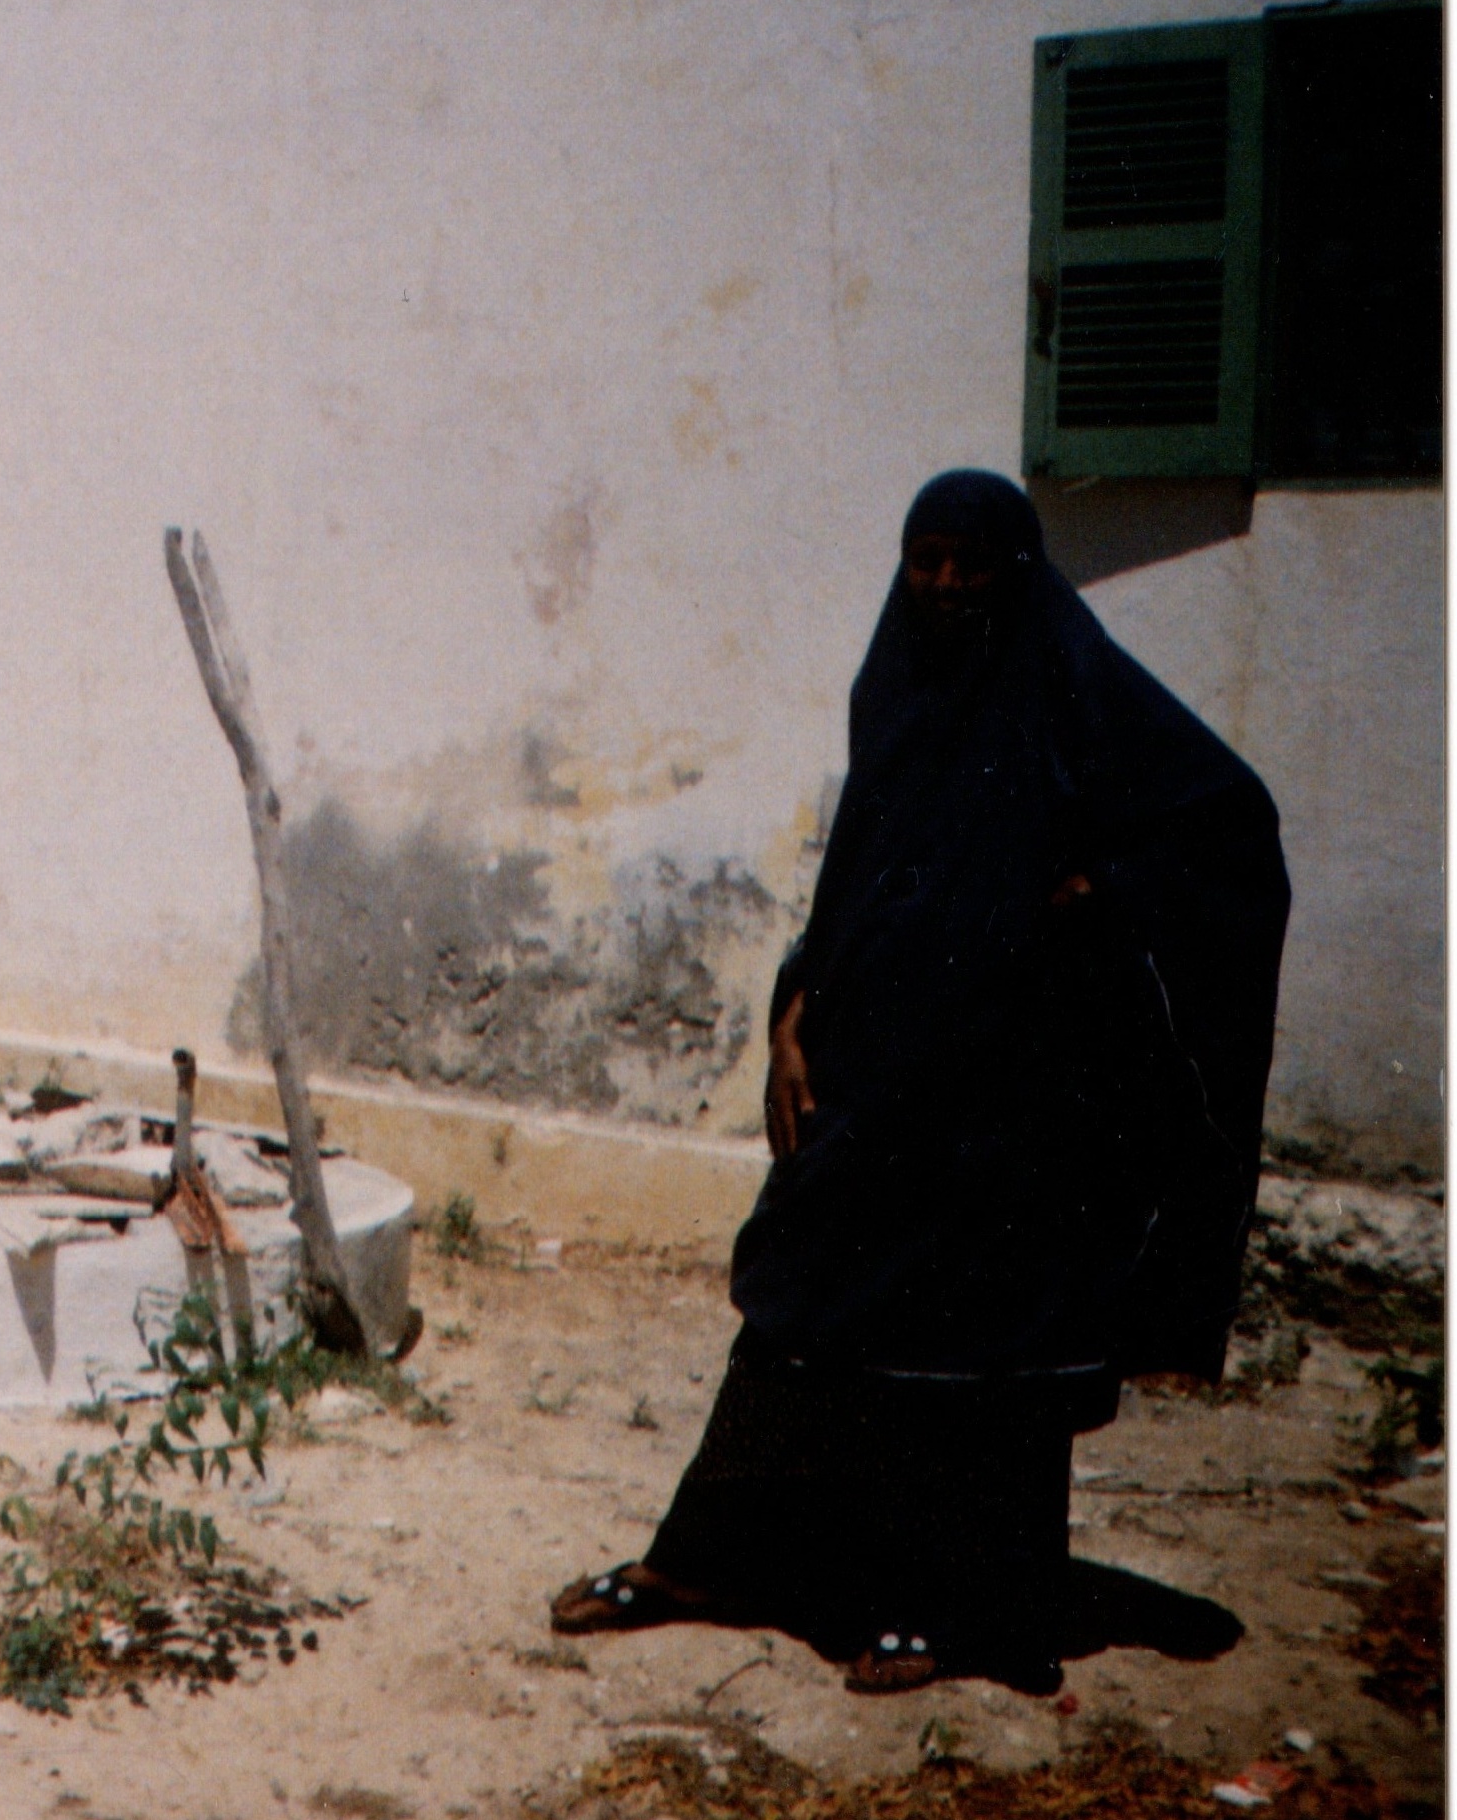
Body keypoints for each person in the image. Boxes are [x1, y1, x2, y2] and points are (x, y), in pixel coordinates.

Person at [551, 469, 1289, 1693]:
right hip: (875, 1074)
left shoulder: (1070, 687)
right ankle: (710, 1561)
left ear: (1015, 572)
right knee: (799, 1301)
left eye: (970, 563)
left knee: (971, 1351)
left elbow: (1226, 824)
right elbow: (856, 879)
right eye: (925, 558)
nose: (945, 584)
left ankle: (948, 1607)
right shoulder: (895, 693)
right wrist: (794, 1013)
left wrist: (1098, 891)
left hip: (1006, 1100)